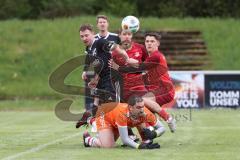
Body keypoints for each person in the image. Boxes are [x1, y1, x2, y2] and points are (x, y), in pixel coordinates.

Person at [109, 32, 176, 132]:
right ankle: (149, 132)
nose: (149, 43)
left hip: (164, 90)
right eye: (147, 41)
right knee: (143, 108)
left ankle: (168, 118)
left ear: (158, 43)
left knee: (141, 101)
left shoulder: (156, 56)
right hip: (157, 89)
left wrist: (120, 66)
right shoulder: (151, 56)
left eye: (152, 41)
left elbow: (139, 67)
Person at [83, 95, 165, 149]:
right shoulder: (122, 114)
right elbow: (125, 139)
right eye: (138, 107)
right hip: (103, 114)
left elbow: (162, 128)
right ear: (131, 108)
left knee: (142, 124)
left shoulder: (145, 112)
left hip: (114, 118)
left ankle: (103, 135)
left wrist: (154, 133)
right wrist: (139, 146)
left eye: (143, 106)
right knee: (108, 146)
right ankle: (88, 139)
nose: (142, 110)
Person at [83, 15, 121, 112]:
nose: (102, 24)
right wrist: (86, 71)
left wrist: (121, 60)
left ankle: (120, 121)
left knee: (111, 101)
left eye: (104, 22)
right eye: (100, 22)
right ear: (97, 25)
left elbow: (120, 51)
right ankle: (94, 116)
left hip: (111, 72)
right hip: (100, 74)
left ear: (107, 24)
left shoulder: (115, 37)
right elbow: (89, 58)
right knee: (99, 97)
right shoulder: (92, 40)